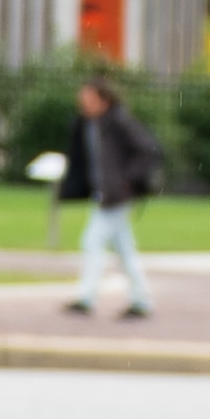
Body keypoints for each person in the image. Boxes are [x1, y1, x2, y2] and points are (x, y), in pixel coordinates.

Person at [64, 70, 163, 318]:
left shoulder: (119, 122)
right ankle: (141, 299)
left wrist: (128, 181)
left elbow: (148, 150)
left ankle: (86, 297)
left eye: (89, 99)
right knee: (124, 249)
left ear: (103, 100)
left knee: (93, 240)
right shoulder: (89, 125)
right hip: (105, 195)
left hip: (117, 196)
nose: (84, 104)